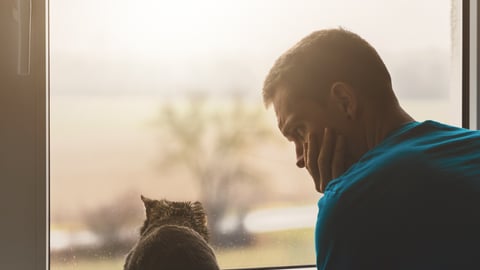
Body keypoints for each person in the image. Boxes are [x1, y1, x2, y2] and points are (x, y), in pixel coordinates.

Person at [262, 28, 480, 270]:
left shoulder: (354, 205)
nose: (300, 159)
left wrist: (342, 195)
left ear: (345, 101)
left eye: (299, 131)